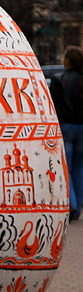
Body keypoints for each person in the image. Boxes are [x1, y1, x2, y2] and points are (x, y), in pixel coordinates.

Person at [50, 45, 83, 220]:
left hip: (66, 126)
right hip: (82, 127)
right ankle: (78, 208)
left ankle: (72, 204)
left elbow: (53, 106)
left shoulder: (57, 79)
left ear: (67, 61)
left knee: (67, 167)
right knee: (79, 167)